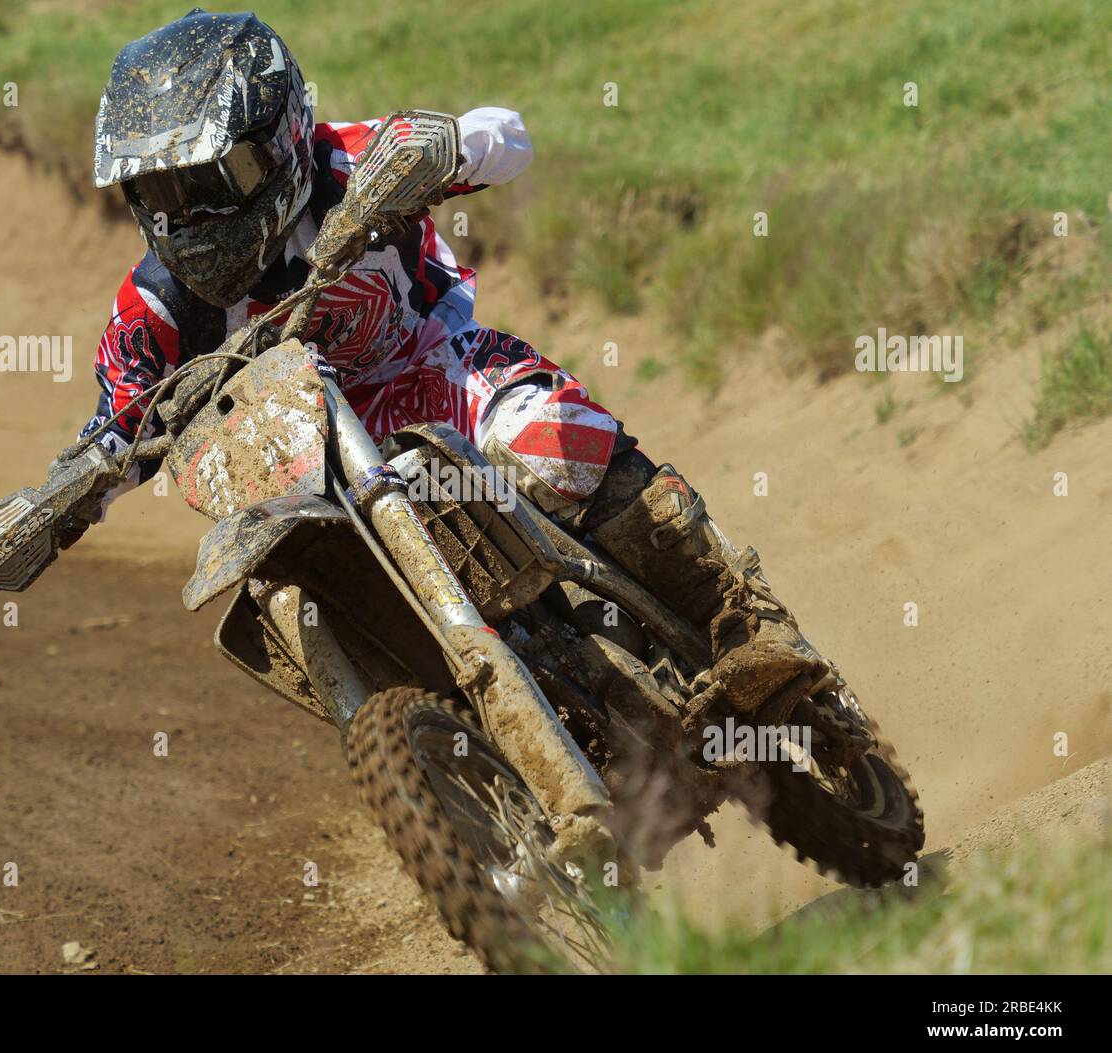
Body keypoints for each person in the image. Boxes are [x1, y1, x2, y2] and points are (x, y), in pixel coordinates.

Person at [80, 9, 822, 747]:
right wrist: (67, 491)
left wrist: (443, 151)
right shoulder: (155, 306)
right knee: (287, 585)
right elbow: (121, 423)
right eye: (161, 192)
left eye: (209, 179)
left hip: (442, 372)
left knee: (547, 442)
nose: (189, 213)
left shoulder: (350, 162)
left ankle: (742, 618)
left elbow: (510, 137)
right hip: (308, 467)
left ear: (273, 141)